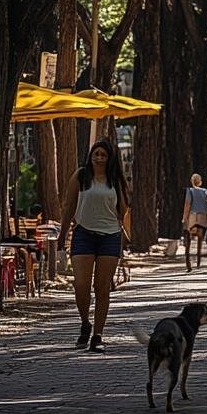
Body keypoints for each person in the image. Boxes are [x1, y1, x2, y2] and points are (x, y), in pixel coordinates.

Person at [58, 139, 129, 352]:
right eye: (96, 154)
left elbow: (123, 208)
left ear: (109, 159)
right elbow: (69, 205)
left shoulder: (115, 179)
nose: (99, 158)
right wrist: (63, 234)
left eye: (103, 155)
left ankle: (98, 335)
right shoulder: (81, 176)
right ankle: (85, 322)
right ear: (90, 156)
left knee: (102, 287)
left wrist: (123, 229)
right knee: (81, 285)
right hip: (83, 234)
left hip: (109, 236)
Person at [182, 173, 207, 271]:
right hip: (203, 217)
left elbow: (187, 205)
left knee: (187, 239)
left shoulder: (190, 191)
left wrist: (185, 218)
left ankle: (188, 264)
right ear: (200, 182)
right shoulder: (206, 192)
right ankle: (199, 263)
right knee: (201, 239)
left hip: (192, 216)